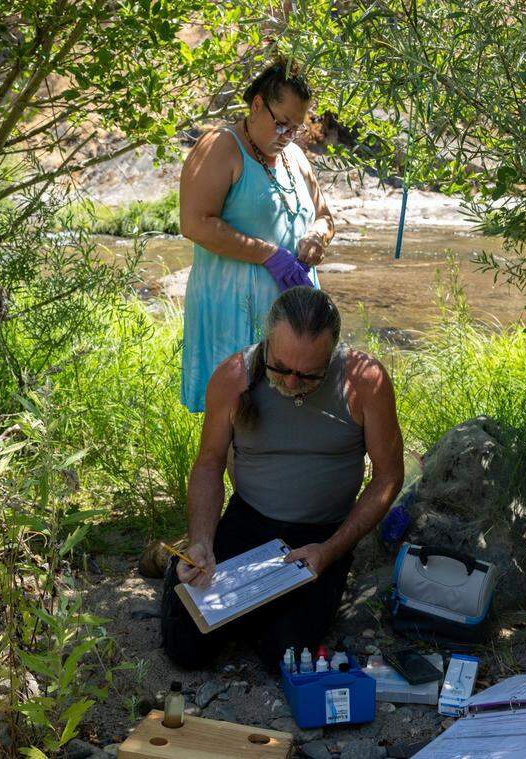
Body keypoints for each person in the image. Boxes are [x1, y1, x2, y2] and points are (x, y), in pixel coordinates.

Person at [160, 288, 404, 671]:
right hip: (250, 520)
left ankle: (260, 610)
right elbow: (208, 464)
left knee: (284, 655)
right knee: (187, 649)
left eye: (309, 374)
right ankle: (177, 561)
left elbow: (389, 474)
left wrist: (333, 549)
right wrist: (202, 541)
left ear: (333, 353)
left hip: (322, 536)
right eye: (281, 367)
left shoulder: (364, 381)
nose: (291, 383)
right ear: (267, 340)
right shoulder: (233, 376)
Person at [178, 59, 337, 413]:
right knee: (239, 415)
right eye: (281, 123)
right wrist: (269, 255)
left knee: (292, 414)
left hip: (294, 317)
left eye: (296, 127)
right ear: (256, 105)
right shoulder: (219, 146)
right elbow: (194, 223)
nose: (287, 135)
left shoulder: (295, 156)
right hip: (230, 309)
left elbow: (325, 216)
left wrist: (317, 236)